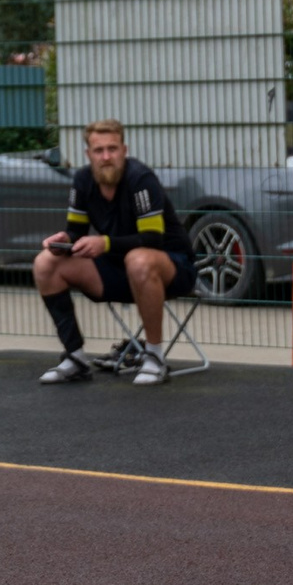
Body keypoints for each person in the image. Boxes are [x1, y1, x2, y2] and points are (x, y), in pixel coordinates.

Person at [32, 120, 195, 388]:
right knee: (46, 263)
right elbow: (76, 229)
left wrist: (105, 244)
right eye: (99, 150)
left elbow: (152, 239)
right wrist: (64, 239)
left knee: (139, 259)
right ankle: (75, 357)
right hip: (117, 271)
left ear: (124, 150)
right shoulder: (83, 180)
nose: (106, 157)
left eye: (112, 149)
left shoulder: (140, 179)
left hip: (171, 268)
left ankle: (154, 358)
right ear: (88, 154)